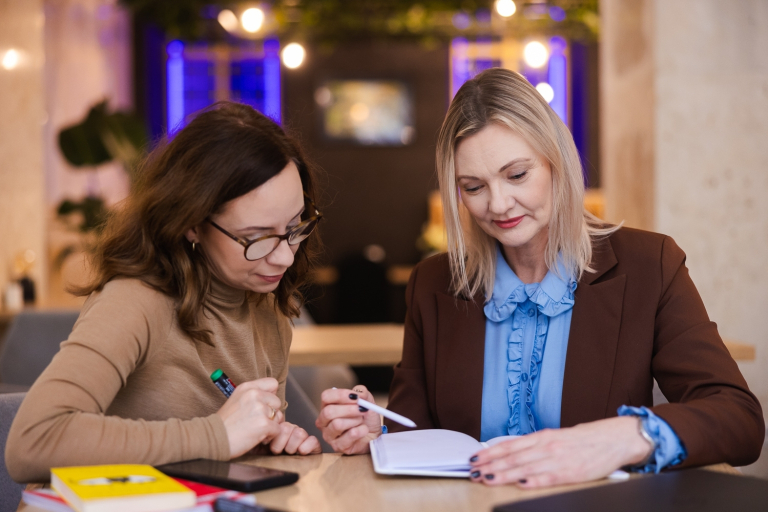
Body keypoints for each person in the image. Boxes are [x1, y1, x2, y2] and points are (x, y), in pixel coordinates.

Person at [315, 68, 764, 487]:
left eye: (517, 175)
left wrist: (622, 437)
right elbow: (418, 430)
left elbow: (739, 419)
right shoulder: (434, 282)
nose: (498, 204)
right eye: (473, 187)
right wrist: (376, 429)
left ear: (556, 161)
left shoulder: (649, 265)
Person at [7, 102, 323, 483]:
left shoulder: (266, 308)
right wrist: (216, 435)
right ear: (192, 224)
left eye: (294, 226)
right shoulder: (136, 302)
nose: (285, 256)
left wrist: (269, 443)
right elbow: (33, 441)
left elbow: (227, 455)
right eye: (256, 238)